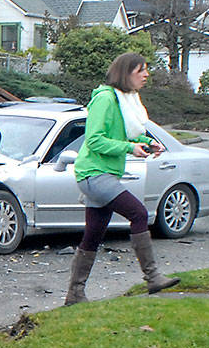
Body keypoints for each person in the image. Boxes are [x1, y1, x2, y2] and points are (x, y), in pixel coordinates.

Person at [64, 52, 179, 305]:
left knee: (94, 233)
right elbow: (94, 140)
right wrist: (129, 149)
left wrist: (148, 143)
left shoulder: (125, 100)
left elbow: (127, 133)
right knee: (138, 214)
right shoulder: (105, 99)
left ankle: (74, 294)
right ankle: (153, 277)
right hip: (93, 173)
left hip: (104, 173)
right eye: (141, 71)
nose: (146, 75)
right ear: (125, 74)